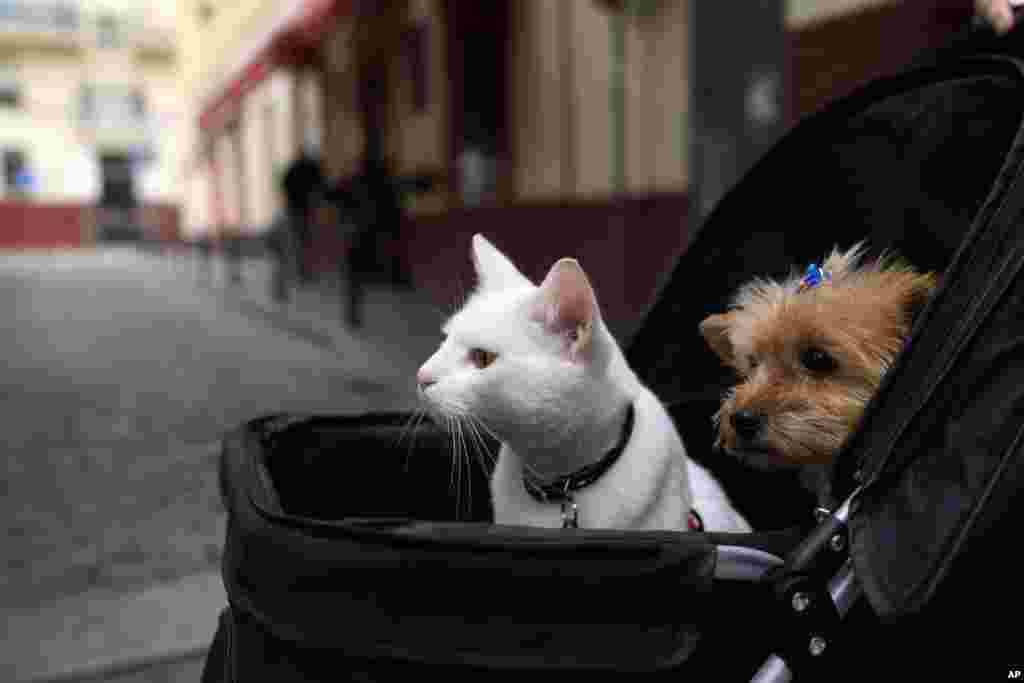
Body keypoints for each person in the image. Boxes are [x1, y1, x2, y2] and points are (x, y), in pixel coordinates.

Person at [281, 147, 325, 285]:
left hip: (298, 207)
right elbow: (320, 183)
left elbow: (284, 185)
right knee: (308, 240)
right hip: (306, 207)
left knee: (302, 240)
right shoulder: (309, 168)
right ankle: (307, 271)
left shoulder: (294, 169)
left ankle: (304, 270)